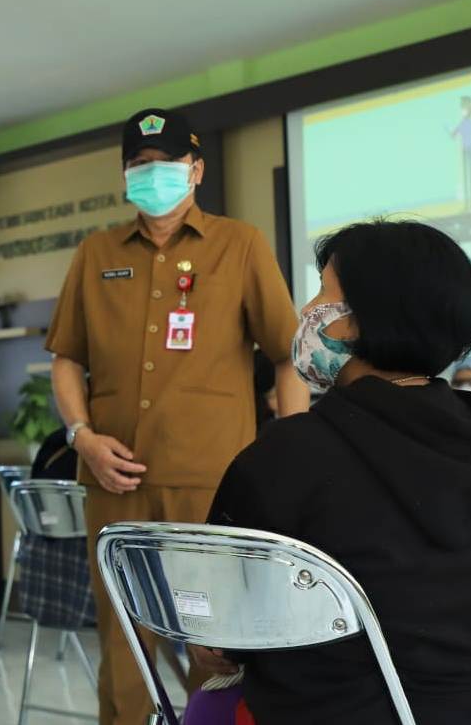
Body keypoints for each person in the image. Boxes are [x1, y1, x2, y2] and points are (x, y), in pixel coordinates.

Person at [200, 220, 471, 724]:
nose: (307, 311)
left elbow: (218, 630)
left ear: (359, 320)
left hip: (332, 713)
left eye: (322, 292)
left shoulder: (285, 454)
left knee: (208, 704)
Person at [46, 107, 310, 725]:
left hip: (214, 483)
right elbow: (65, 359)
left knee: (214, 638)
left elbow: (287, 356)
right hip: (115, 483)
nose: (152, 174)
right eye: (138, 165)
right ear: (124, 176)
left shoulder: (238, 244)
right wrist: (82, 439)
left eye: (165, 163)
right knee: (123, 639)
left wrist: (294, 454)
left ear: (195, 170)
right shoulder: (96, 252)